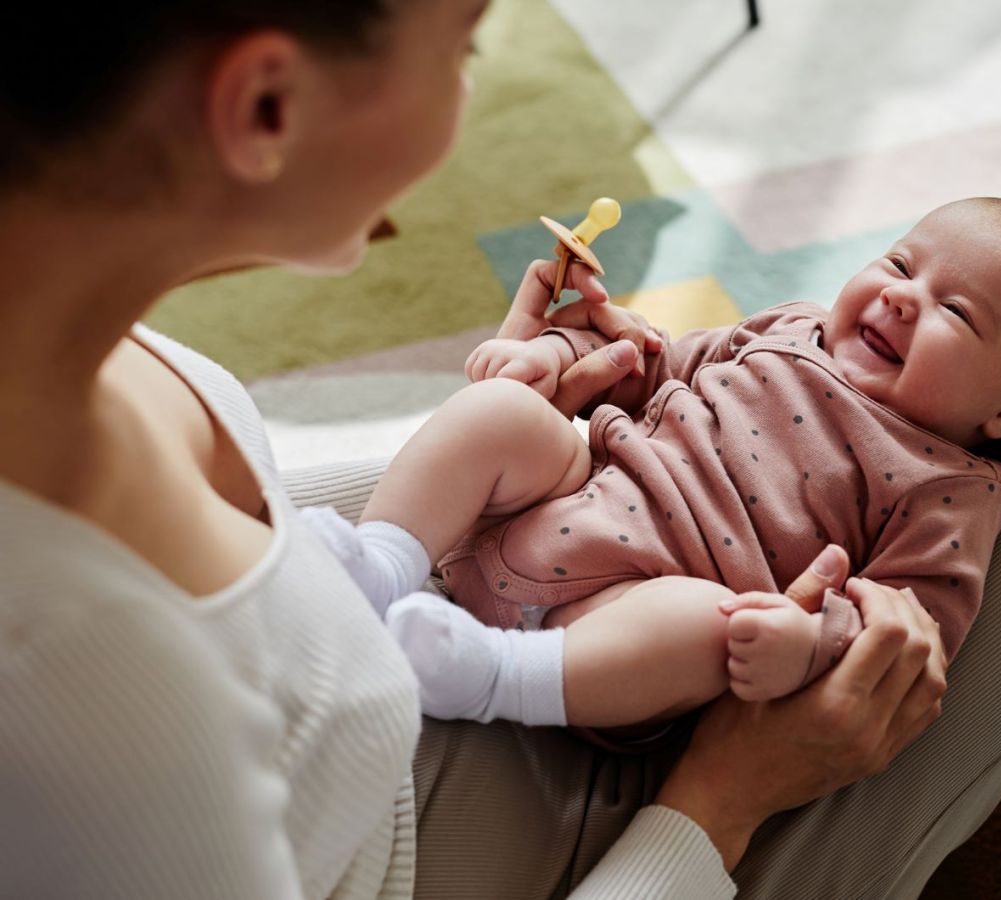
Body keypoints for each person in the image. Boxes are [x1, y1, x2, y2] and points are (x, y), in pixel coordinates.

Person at [0, 2, 946, 898]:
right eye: (464, 47)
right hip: (451, 830)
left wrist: (504, 465)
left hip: (432, 630)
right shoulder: (95, 696)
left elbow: (249, 556)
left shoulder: (81, 351)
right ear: (267, 107)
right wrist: (726, 799)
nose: (465, 94)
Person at [310, 197, 1001, 733]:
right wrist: (554, 355)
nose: (898, 296)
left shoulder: (953, 488)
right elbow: (647, 364)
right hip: (574, 488)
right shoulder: (792, 328)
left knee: (706, 623)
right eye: (899, 264)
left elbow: (912, 622)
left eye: (954, 310)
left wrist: (807, 644)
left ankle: (491, 677)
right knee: (501, 413)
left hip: (616, 619)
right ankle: (381, 564)